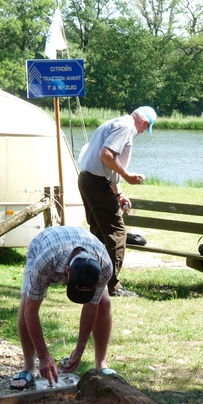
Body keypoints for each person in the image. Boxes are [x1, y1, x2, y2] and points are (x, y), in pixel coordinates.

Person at [10, 226, 114, 390]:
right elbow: (31, 312)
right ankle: (29, 367)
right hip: (44, 247)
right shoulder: (45, 261)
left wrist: (80, 348)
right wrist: (43, 355)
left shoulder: (105, 265)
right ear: (67, 271)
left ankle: (101, 364)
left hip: (87, 245)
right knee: (25, 308)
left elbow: (91, 306)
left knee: (104, 303)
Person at [78, 106, 156, 297]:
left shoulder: (114, 123)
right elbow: (106, 155)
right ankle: (112, 285)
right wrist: (127, 176)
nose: (142, 132)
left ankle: (91, 279)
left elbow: (107, 164)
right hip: (96, 183)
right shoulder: (126, 127)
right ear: (145, 122)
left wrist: (118, 193)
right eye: (146, 128)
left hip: (87, 179)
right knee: (117, 234)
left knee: (98, 233)